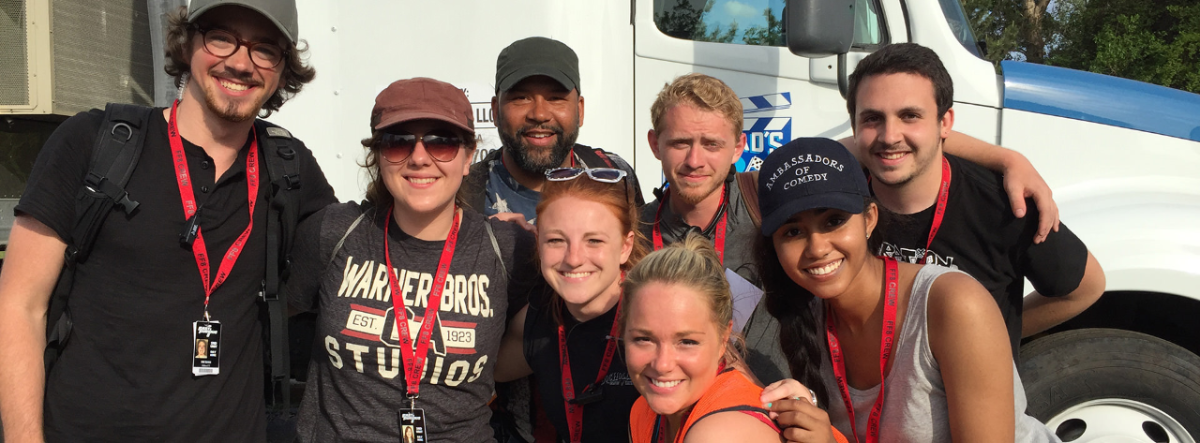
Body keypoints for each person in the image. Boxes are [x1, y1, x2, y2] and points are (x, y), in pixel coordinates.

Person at [0, 0, 335, 440]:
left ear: (283, 68)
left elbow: (360, 258)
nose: (240, 63)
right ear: (187, 42)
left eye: (264, 49)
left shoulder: (290, 167)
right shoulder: (94, 142)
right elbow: (19, 306)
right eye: (221, 38)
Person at [640, 73, 1067, 386]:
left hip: (779, 411)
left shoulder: (766, 195)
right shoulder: (636, 230)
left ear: (737, 147)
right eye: (680, 143)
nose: (695, 160)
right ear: (655, 144)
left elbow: (889, 143)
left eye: (711, 144)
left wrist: (1008, 159)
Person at [283, 77, 539, 442]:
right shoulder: (334, 232)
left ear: (468, 157)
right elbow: (264, 318)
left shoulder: (507, 248)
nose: (419, 158)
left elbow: (533, 344)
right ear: (378, 154)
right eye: (398, 142)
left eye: (442, 142)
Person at [756, 137, 1058, 442]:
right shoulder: (800, 314)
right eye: (793, 232)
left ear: (869, 219)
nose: (817, 248)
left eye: (834, 221)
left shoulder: (953, 303)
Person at [844, 43, 1105, 357]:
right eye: (872, 118)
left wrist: (993, 331)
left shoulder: (1006, 204)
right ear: (854, 125)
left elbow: (1085, 288)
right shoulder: (836, 194)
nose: (890, 136)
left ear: (945, 122)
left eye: (910, 116)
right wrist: (1007, 156)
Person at [624, 233, 848, 443]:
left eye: (687, 342)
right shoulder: (643, 411)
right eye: (644, 339)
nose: (662, 364)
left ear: (724, 340)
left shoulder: (717, 435)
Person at [494, 166, 647, 443]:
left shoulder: (657, 317)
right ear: (538, 242)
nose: (574, 258)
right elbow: (476, 372)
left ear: (625, 247)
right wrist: (485, 239)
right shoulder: (538, 322)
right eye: (556, 240)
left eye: (594, 240)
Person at [462, 36, 643, 224]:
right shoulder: (462, 196)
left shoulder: (614, 174)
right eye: (521, 98)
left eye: (555, 98)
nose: (539, 114)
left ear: (580, 110)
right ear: (495, 110)